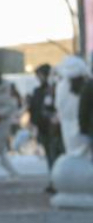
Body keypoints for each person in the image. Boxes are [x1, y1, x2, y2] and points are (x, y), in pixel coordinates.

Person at [30, 63, 63, 192]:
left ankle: (56, 182)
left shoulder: (54, 89)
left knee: (55, 155)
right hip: (44, 127)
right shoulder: (39, 91)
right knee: (50, 156)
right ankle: (53, 181)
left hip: (53, 129)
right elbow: (35, 108)